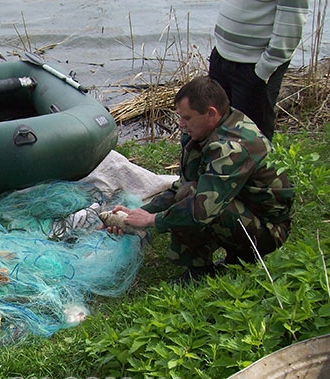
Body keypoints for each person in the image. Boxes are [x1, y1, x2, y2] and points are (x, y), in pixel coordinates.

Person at [106, 76, 293, 284]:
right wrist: (141, 212)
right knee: (187, 191)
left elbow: (202, 210)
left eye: (187, 118)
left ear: (211, 113)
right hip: (246, 209)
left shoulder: (231, 148)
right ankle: (232, 258)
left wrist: (152, 221)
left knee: (193, 198)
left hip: (268, 230)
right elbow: (180, 186)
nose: (180, 124)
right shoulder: (210, 131)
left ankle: (201, 272)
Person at [208, 0, 309, 140]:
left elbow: (290, 28)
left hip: (252, 66)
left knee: (250, 139)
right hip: (221, 56)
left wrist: (264, 69)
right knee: (215, 129)